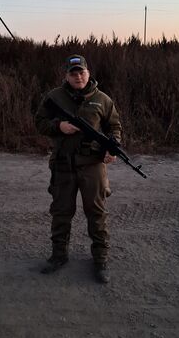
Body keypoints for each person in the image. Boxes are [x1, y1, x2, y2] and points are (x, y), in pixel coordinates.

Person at [35, 54, 122, 283]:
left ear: (88, 73)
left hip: (93, 166)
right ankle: (58, 256)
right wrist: (59, 126)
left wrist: (112, 148)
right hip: (63, 165)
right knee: (61, 212)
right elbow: (39, 122)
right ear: (66, 75)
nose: (78, 77)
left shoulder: (102, 99)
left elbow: (114, 127)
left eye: (81, 72)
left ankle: (100, 260)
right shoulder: (54, 97)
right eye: (73, 73)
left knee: (97, 213)